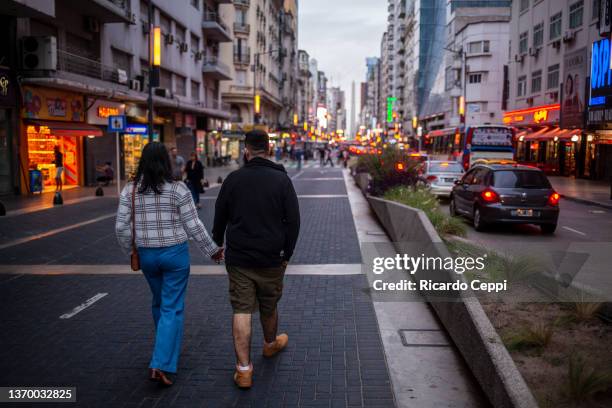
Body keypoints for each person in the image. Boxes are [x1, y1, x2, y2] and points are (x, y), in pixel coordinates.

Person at [115, 142, 223, 387]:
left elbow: (121, 227)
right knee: (172, 307)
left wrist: (130, 250)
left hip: (147, 256)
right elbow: (194, 226)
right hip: (175, 255)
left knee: (159, 303)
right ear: (167, 162)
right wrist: (213, 251)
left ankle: (165, 347)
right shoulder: (178, 189)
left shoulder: (130, 189)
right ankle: (161, 362)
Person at [212, 129, 300, 389]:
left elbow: (220, 215)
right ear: (269, 149)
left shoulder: (233, 179)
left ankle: (244, 370)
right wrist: (287, 253)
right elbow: (293, 222)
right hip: (273, 257)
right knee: (269, 305)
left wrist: (218, 243)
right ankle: (270, 345)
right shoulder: (282, 181)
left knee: (241, 308)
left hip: (239, 258)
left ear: (246, 151)